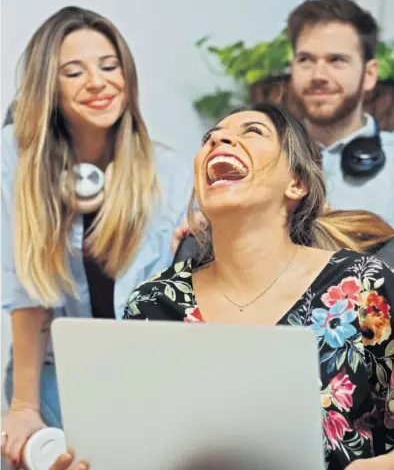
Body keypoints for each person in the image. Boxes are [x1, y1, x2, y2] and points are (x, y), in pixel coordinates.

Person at [50, 102, 393, 470]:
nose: (219, 139)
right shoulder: (153, 303)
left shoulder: (363, 286)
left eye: (252, 131)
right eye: (209, 139)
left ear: (297, 183)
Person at [1, 6, 191, 467]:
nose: (99, 82)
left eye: (110, 66)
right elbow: (26, 285)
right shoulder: (15, 158)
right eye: (74, 71)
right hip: (50, 376)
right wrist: (24, 406)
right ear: (50, 85)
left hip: (143, 377)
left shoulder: (167, 168)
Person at [287, 0, 394, 227]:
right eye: (306, 59)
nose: (318, 76)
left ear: (369, 75)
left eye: (336, 60)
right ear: (292, 68)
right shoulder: (262, 156)